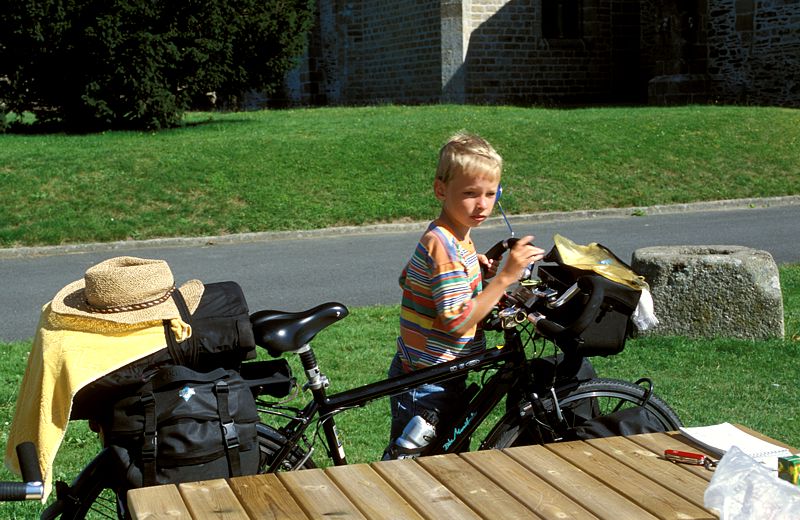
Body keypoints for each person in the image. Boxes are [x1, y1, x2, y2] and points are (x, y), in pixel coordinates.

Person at [385, 132, 545, 456]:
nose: (483, 204)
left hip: (435, 371)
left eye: (490, 193)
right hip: (428, 381)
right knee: (414, 470)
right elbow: (456, 322)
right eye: (470, 193)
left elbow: (410, 279)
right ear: (441, 190)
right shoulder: (445, 245)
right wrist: (504, 279)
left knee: (443, 461)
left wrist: (473, 270)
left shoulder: (452, 236)